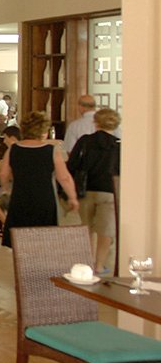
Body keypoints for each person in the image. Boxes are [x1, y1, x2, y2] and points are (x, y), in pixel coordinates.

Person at [0, 111, 80, 248]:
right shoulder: (51, 151)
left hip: (20, 198)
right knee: (43, 238)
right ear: (43, 130)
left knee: (20, 238)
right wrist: (72, 197)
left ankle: (22, 260)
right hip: (44, 199)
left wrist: (7, 189)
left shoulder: (13, 149)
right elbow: (64, 177)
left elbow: (3, 174)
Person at [68, 108, 120, 274]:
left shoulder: (85, 141)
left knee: (86, 228)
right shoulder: (118, 144)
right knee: (106, 231)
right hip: (109, 191)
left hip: (86, 189)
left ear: (96, 122)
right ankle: (99, 265)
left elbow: (72, 164)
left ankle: (88, 264)